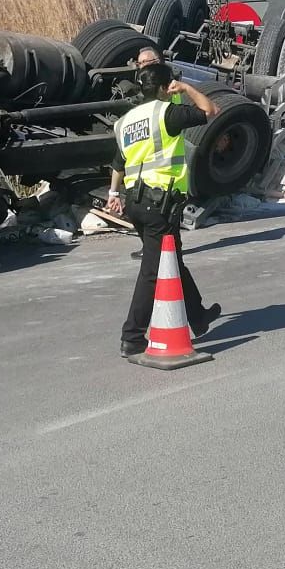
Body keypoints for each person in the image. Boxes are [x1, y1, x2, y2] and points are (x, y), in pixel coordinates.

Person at [108, 53, 222, 358]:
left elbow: (119, 163)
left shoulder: (125, 122)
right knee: (153, 271)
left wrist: (113, 193)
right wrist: (185, 88)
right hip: (160, 202)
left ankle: (197, 317)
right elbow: (210, 109)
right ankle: (132, 335)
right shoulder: (166, 114)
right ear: (163, 87)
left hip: (135, 202)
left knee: (171, 259)